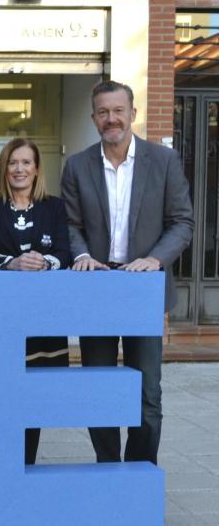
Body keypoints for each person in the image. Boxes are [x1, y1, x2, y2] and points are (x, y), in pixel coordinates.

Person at [61, 80, 193, 465]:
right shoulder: (77, 165)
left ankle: (138, 471)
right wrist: (82, 254)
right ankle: (108, 469)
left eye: (118, 110)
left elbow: (182, 222)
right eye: (103, 112)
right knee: (98, 389)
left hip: (143, 289)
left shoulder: (163, 161)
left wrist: (155, 260)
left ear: (133, 114)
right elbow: (70, 225)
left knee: (147, 391)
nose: (111, 118)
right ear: (93, 118)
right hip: (97, 288)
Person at [0, 138, 71, 465]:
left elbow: (64, 253)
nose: (19, 169)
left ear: (37, 169)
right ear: (3, 168)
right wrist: (12, 263)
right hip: (1, 320)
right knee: (0, 395)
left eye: (26, 162)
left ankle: (25, 466)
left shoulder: (54, 207)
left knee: (34, 399)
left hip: (42, 322)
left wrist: (44, 262)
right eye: (13, 162)